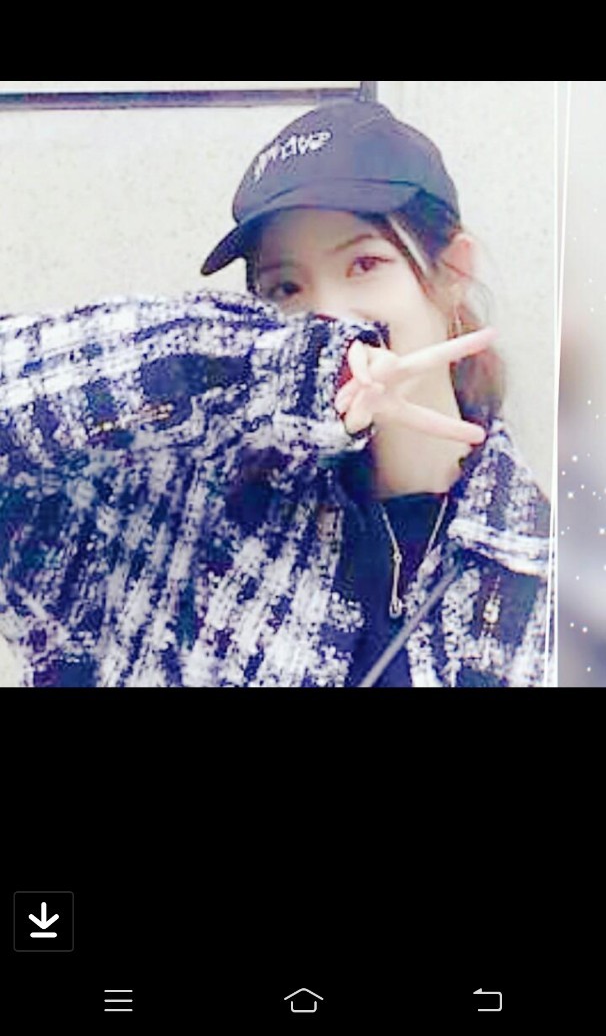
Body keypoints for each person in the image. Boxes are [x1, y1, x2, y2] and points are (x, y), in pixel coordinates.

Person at [0, 97, 553, 687]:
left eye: (364, 264)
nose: (328, 315)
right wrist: (278, 367)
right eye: (286, 287)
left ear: (452, 271)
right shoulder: (176, 513)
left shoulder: (548, 581)